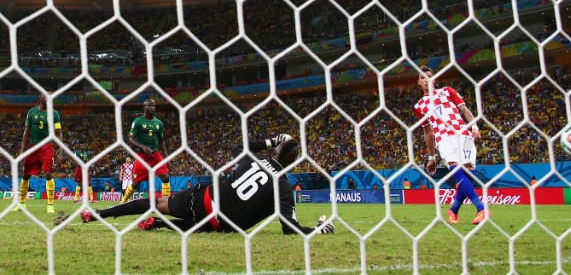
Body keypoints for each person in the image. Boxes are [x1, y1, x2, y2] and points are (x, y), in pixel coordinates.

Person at [81, 135, 335, 235]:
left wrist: (271, 140)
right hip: (221, 225)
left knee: (157, 203)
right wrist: (319, 229)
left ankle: (100, 213)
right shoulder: (284, 186)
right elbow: (290, 227)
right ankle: (158, 223)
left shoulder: (255, 157)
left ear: (276, 151)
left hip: (204, 200)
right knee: (202, 224)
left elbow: (239, 146)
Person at [413, 66, 489, 225]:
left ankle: (453, 210)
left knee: (468, 174)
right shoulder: (420, 106)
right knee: (457, 171)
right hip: (444, 138)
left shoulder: (447, 91)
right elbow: (428, 133)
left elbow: (464, 110)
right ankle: (481, 209)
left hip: (463, 134)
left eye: (429, 76)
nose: (427, 79)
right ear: (419, 82)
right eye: (423, 77)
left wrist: (474, 127)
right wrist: (432, 157)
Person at [13, 93, 64, 213]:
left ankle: (50, 204)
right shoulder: (31, 112)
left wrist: (60, 152)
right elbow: (26, 132)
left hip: (46, 146)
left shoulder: (54, 114)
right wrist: (22, 152)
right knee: (26, 174)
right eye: (46, 96)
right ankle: (21, 203)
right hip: (32, 146)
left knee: (47, 173)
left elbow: (59, 133)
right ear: (41, 98)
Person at [120, 99, 171, 203]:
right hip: (142, 156)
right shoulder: (138, 121)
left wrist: (166, 156)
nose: (152, 108)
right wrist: (143, 147)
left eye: (153, 106)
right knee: (136, 183)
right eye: (149, 106)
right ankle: (123, 201)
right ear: (144, 108)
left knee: (165, 177)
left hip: (155, 154)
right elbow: (130, 139)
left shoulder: (159, 123)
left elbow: (161, 141)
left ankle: (167, 201)